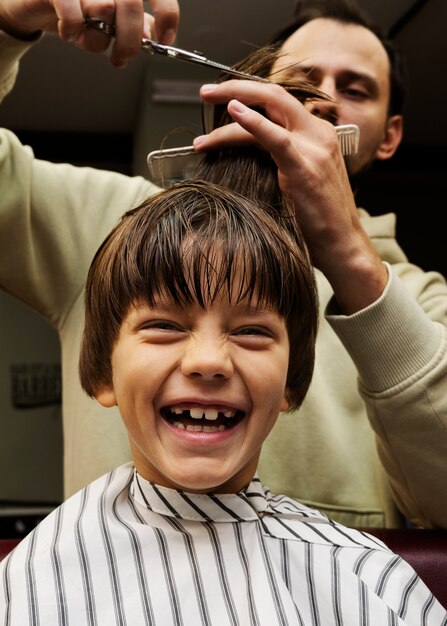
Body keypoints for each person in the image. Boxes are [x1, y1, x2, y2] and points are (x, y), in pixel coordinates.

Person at [0, 0, 447, 530]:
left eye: (354, 89)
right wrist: (7, 23)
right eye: (302, 83)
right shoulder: (116, 229)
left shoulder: (417, 301)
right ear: (258, 95)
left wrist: (348, 254)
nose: (323, 102)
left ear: (391, 134)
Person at [1, 180, 446, 625]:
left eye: (251, 331)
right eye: (163, 325)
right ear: (104, 373)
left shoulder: (369, 579)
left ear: (290, 383)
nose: (210, 361)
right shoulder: (30, 583)